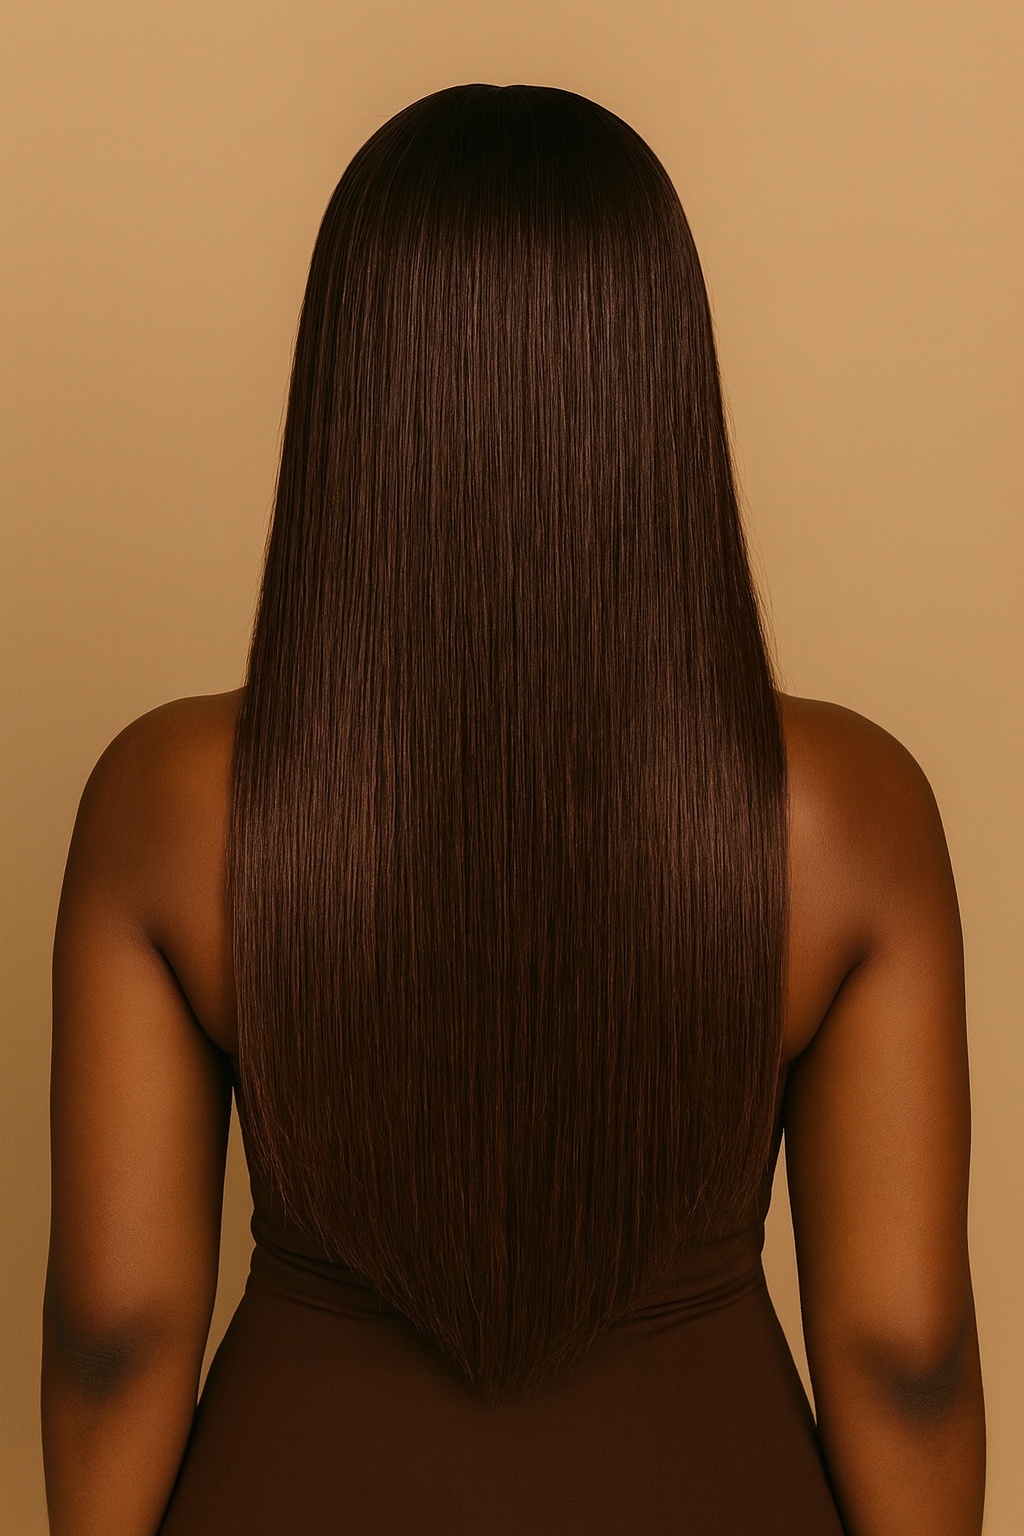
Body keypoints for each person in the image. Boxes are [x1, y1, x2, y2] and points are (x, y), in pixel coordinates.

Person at [41, 84, 985, 1535]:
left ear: (348, 391)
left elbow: (114, 1339)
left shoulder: (169, 806)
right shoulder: (844, 816)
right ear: (660, 387)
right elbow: (906, 1362)